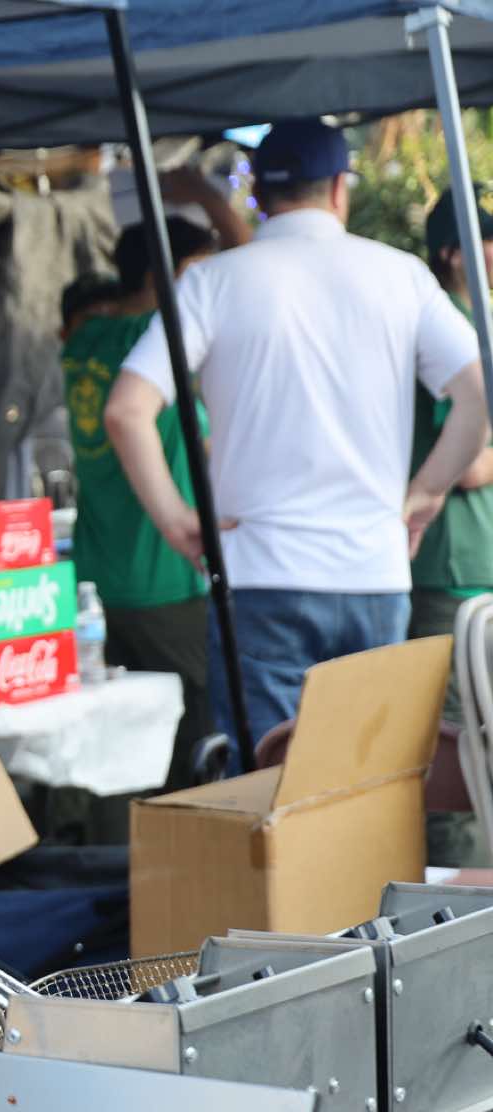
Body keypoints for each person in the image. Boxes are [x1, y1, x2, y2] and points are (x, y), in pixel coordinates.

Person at [105, 119, 492, 753]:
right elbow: (480, 395)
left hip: (259, 574)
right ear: (340, 188)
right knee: (373, 779)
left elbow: (127, 411)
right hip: (373, 571)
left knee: (271, 784)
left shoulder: (212, 282)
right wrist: (426, 492)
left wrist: (177, 521)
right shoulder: (401, 277)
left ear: (258, 192)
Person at [62, 217, 223, 790]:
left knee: (121, 757)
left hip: (98, 583)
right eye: (198, 273)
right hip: (166, 579)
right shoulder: (160, 342)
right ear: (162, 277)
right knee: (194, 750)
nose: (209, 287)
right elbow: (209, 440)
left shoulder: (84, 341)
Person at [411, 185, 493, 864]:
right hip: (451, 572)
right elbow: (465, 465)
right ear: (454, 253)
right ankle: (460, 910)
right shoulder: (449, 329)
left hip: (475, 566)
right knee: (459, 756)